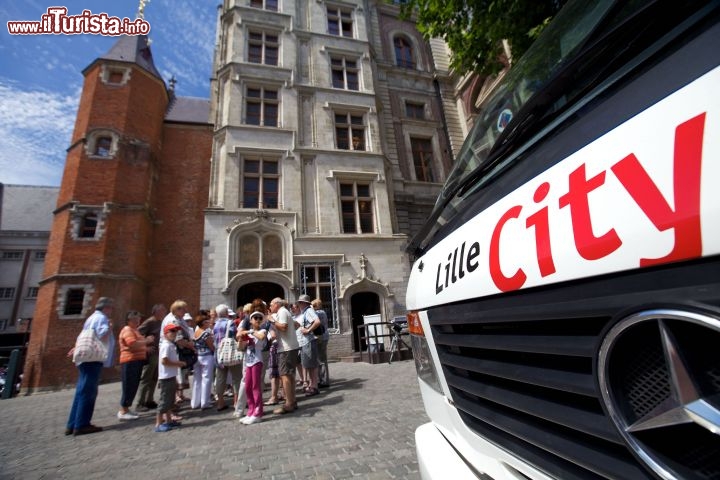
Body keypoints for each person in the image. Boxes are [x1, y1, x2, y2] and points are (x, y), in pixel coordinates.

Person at [65, 297, 116, 436]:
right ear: (106, 308)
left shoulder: (90, 318)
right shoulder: (102, 318)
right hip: (92, 358)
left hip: (85, 358)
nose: (111, 311)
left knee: (81, 391)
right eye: (111, 308)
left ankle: (72, 424)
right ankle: (82, 424)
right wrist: (110, 326)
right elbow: (102, 333)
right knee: (89, 391)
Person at [118, 310, 154, 420]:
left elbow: (136, 345)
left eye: (139, 318)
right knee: (129, 385)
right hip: (130, 361)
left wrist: (145, 349)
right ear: (129, 320)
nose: (138, 320)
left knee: (133, 385)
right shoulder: (128, 330)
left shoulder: (134, 330)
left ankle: (127, 409)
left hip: (136, 361)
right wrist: (147, 341)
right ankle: (123, 411)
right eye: (136, 318)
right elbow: (132, 344)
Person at [268, 297, 300, 415]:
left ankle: (289, 404)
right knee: (290, 375)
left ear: (276, 304)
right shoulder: (285, 312)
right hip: (291, 346)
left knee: (285, 375)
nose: (270, 307)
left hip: (286, 348)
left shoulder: (282, 311)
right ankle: (293, 400)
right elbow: (296, 325)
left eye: (271, 304)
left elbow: (283, 327)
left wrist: (272, 320)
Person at [161, 301, 195, 404]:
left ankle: (179, 395)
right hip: (176, 350)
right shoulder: (173, 320)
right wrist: (191, 346)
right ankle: (174, 400)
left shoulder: (178, 318)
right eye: (184, 309)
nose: (186, 311)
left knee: (180, 374)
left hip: (180, 349)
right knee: (176, 374)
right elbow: (178, 339)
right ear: (177, 310)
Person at [213, 304, 244, 412]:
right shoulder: (230, 323)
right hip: (230, 351)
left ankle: (220, 402)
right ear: (226, 313)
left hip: (219, 353)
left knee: (220, 378)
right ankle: (236, 402)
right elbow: (234, 336)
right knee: (236, 377)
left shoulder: (215, 324)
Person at [136, 303, 166, 411]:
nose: (164, 312)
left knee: (154, 378)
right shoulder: (150, 322)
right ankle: (140, 403)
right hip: (151, 354)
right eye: (162, 310)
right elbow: (137, 333)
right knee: (146, 378)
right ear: (156, 312)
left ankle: (149, 400)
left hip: (158, 353)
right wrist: (145, 346)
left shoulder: (160, 322)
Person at [156, 323, 185, 432]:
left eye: (175, 331)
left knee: (169, 401)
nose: (174, 333)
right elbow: (164, 361)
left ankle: (168, 420)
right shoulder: (166, 345)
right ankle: (158, 423)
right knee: (164, 401)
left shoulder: (170, 344)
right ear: (166, 333)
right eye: (172, 331)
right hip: (165, 376)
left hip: (171, 375)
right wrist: (178, 363)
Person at [240, 311, 268, 425]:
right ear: (250, 320)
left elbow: (261, 337)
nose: (257, 319)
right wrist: (241, 338)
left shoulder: (262, 330)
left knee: (255, 387)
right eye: (254, 318)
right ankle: (251, 411)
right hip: (248, 362)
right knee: (247, 387)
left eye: (259, 318)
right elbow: (241, 347)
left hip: (257, 361)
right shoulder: (249, 333)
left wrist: (250, 331)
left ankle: (258, 412)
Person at [297, 295, 321, 396]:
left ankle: (314, 386)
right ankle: (312, 385)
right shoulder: (305, 312)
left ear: (304, 303)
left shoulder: (309, 311)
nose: (299, 305)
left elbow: (317, 322)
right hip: (305, 341)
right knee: (309, 365)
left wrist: (308, 330)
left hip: (309, 341)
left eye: (300, 302)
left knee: (311, 365)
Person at [190, 312, 215, 410]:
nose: (209, 323)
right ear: (203, 323)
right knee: (207, 379)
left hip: (198, 357)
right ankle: (205, 402)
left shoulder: (195, 332)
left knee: (197, 380)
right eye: (207, 321)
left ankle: (195, 402)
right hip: (207, 357)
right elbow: (211, 346)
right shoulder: (205, 333)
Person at [312, 299, 331, 388]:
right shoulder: (321, 312)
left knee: (322, 359)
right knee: (321, 359)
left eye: (313, 305)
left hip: (321, 337)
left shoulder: (320, 312)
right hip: (323, 336)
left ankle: (324, 380)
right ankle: (322, 379)